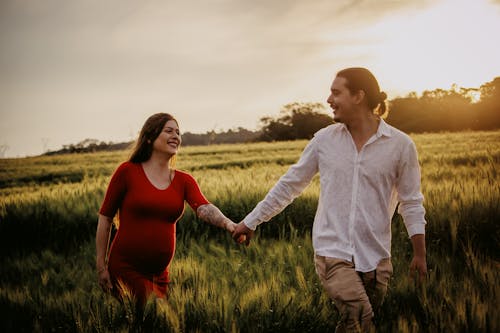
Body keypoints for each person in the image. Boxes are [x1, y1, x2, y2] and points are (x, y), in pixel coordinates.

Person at [232, 67, 427, 332]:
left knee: (353, 324)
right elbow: (290, 185)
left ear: (358, 96)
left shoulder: (401, 146)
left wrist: (419, 253)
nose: (329, 100)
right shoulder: (324, 140)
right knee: (361, 319)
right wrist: (252, 221)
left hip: (377, 258)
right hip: (332, 252)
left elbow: (411, 201)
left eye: (336, 92)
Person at [96, 113, 236, 305]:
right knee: (157, 315)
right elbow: (105, 218)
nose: (176, 136)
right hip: (126, 267)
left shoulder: (184, 180)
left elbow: (203, 208)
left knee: (148, 325)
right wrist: (101, 266)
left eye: (178, 132)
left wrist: (229, 224)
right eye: (169, 131)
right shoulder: (127, 171)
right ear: (149, 137)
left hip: (160, 275)